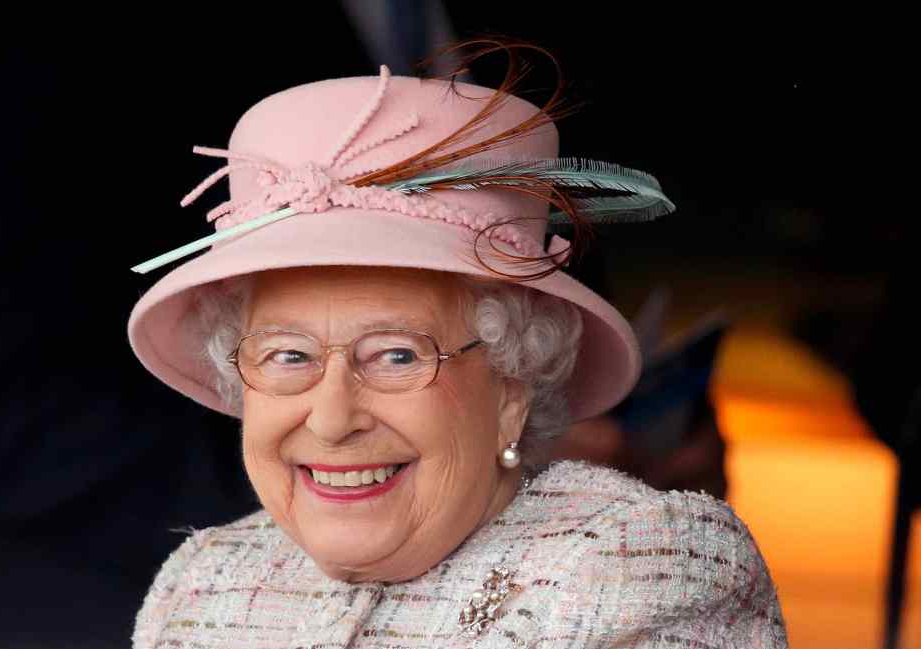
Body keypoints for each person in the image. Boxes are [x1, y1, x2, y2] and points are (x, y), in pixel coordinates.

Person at [125, 40, 788, 647]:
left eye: (396, 355)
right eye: (288, 356)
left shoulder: (636, 568)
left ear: (511, 383)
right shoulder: (200, 587)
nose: (330, 419)